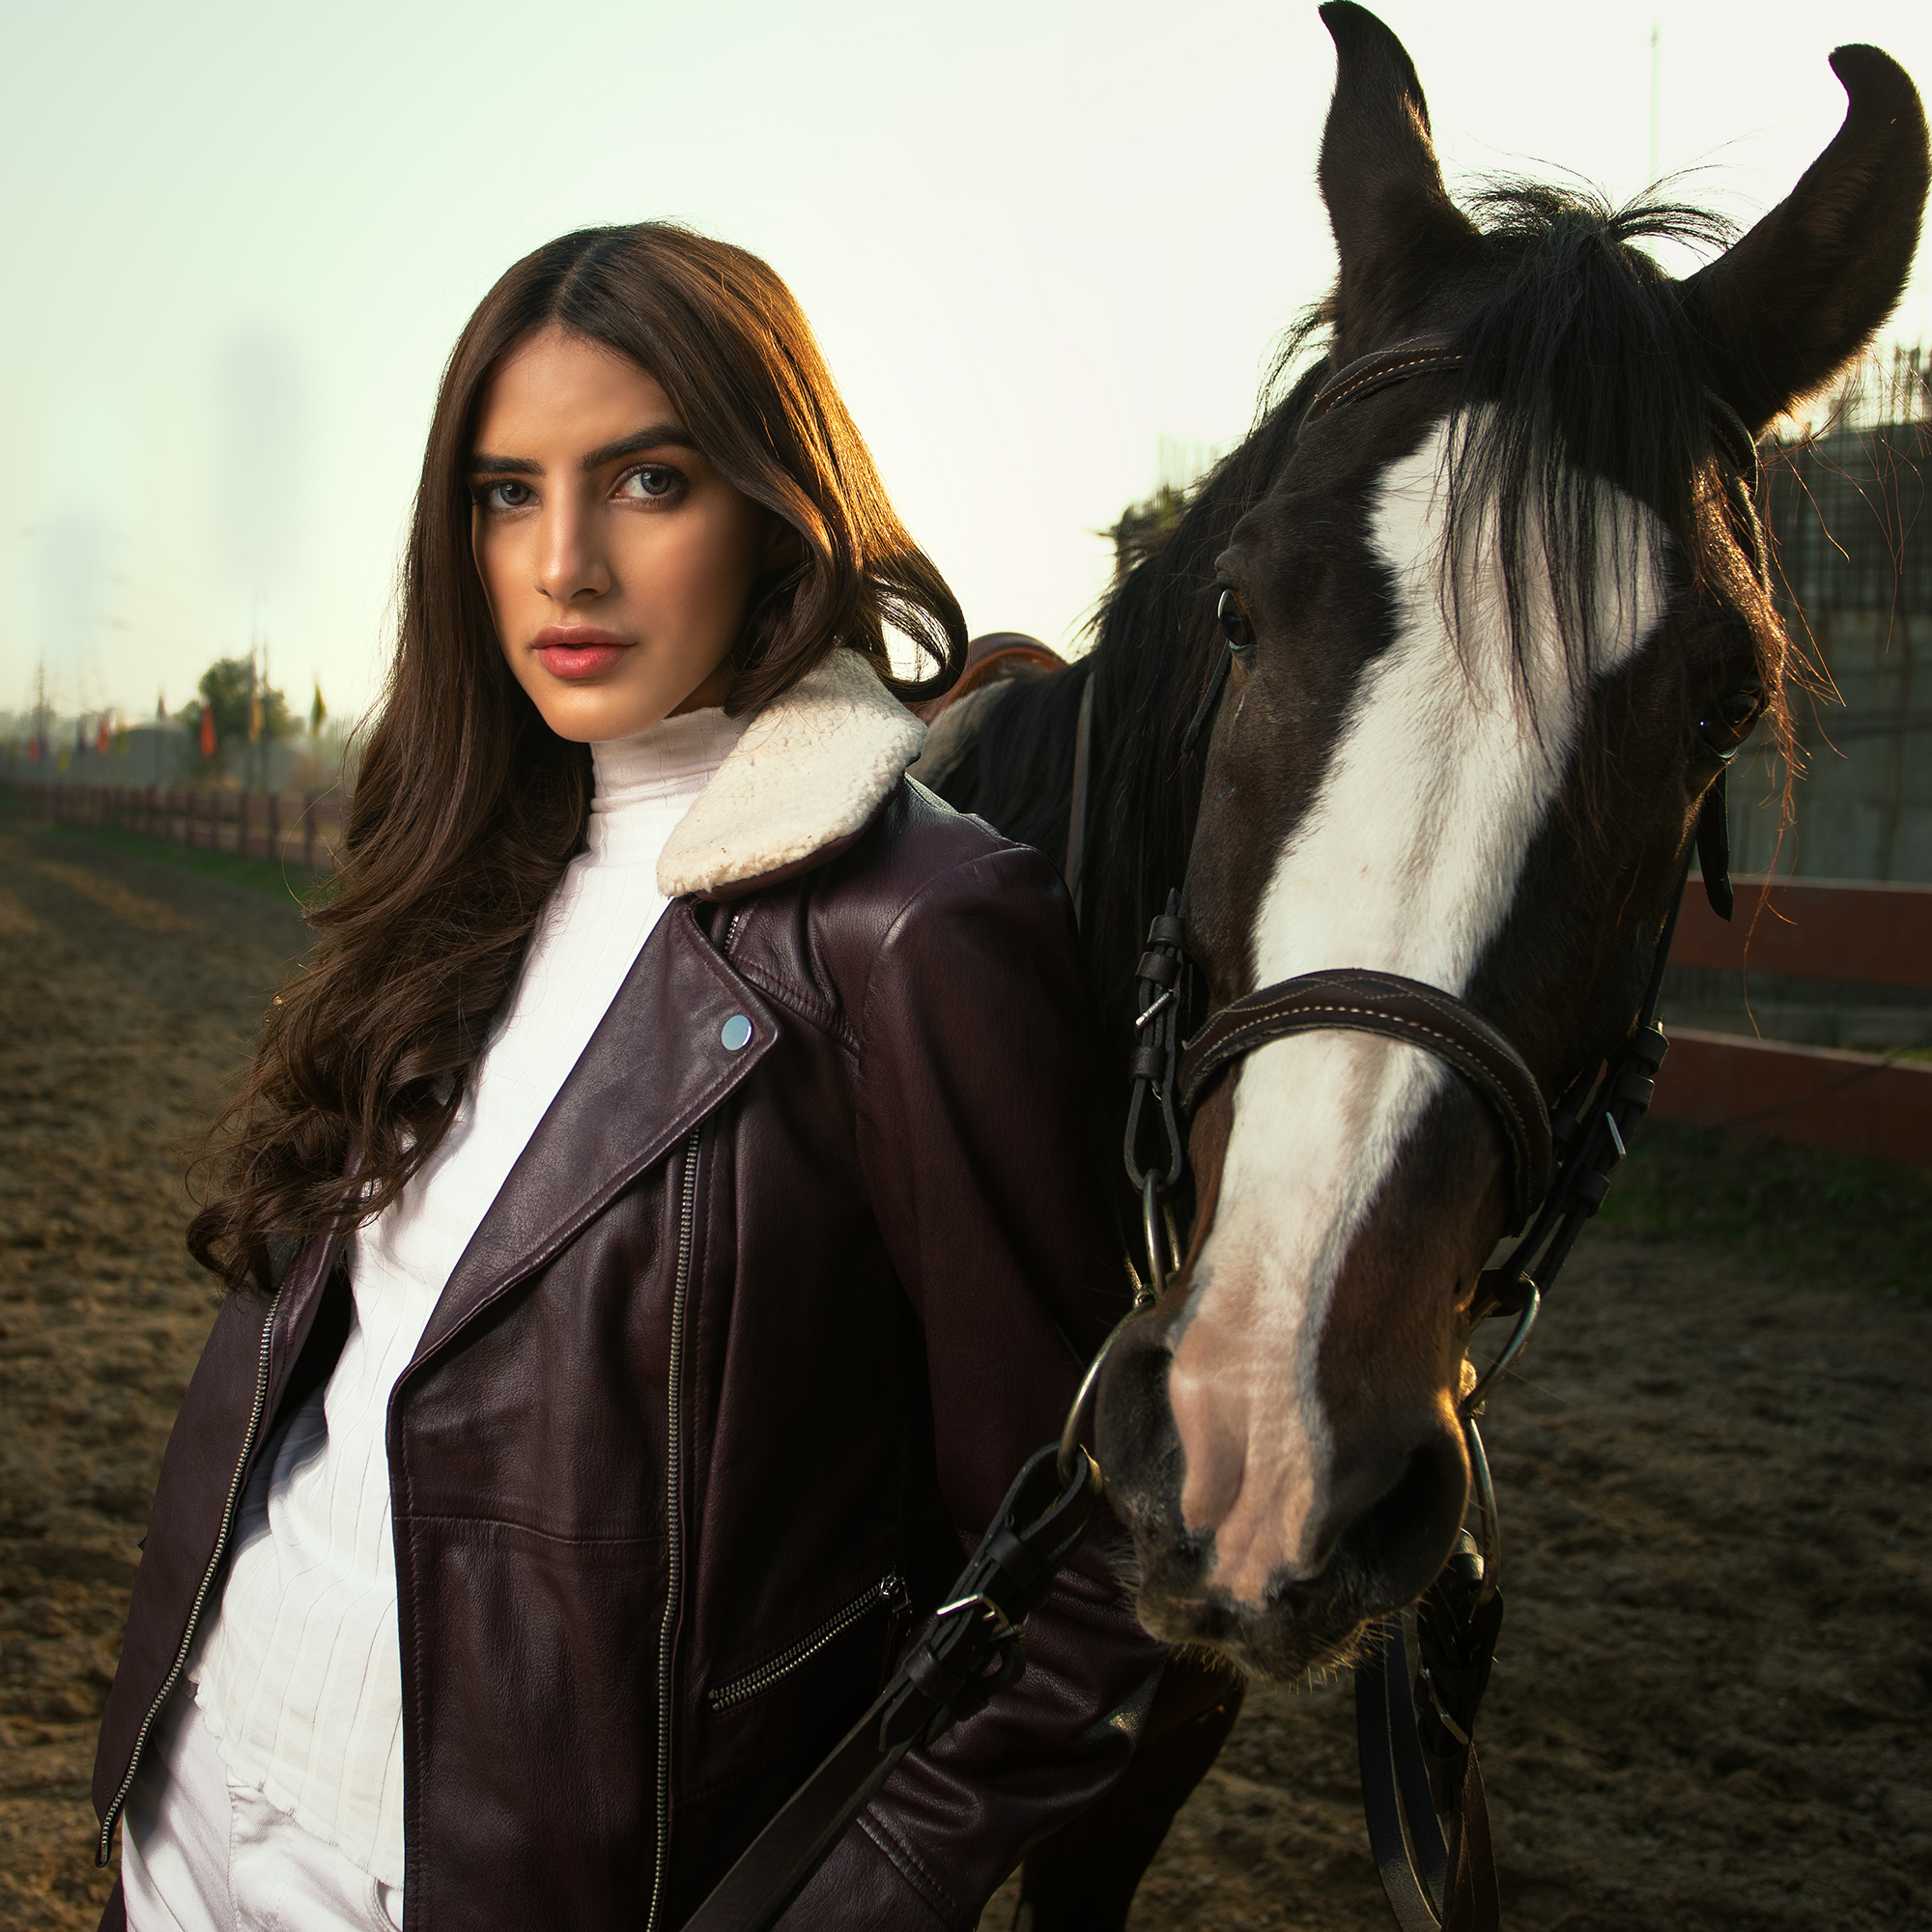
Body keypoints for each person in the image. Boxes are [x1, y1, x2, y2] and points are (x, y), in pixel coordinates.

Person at [90, 223, 1169, 1932]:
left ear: (778, 503)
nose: (562, 564)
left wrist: (852, 1905)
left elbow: (1084, 1555)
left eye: (646, 482)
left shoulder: (914, 931)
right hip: (199, 1785)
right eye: (507, 492)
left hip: (515, 1881)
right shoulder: (462, 857)